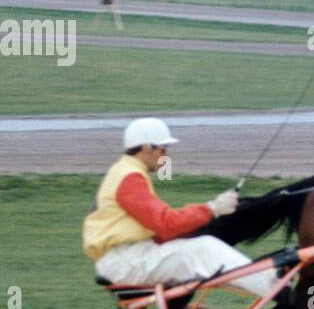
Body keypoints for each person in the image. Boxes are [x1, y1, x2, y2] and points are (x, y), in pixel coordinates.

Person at [83, 117, 275, 299]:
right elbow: (166, 223)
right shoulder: (129, 177)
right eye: (163, 149)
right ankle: (271, 286)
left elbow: (158, 227)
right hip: (125, 261)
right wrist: (212, 208)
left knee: (201, 245)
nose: (166, 155)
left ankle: (265, 278)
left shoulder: (125, 172)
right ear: (146, 148)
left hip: (127, 256)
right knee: (205, 248)